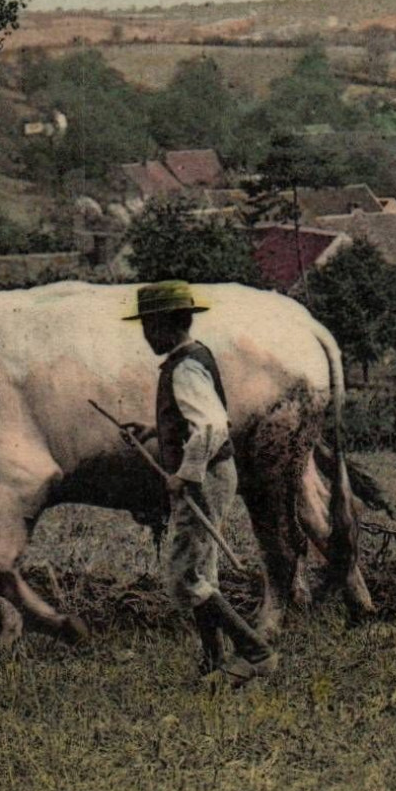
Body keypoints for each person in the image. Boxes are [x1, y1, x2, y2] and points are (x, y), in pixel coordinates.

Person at [123, 280, 278, 683]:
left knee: (183, 576)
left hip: (204, 477)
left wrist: (184, 475)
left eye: (147, 327)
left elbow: (210, 425)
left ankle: (255, 653)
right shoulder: (195, 357)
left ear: (164, 325)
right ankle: (214, 661)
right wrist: (155, 430)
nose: (145, 336)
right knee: (200, 572)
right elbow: (202, 420)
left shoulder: (184, 368)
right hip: (214, 473)